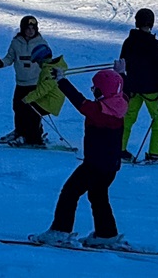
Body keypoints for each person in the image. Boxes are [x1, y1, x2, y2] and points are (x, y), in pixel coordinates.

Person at [30, 67, 128, 248]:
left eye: (95, 88)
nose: (93, 91)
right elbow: (123, 89)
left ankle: (60, 231)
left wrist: (61, 80)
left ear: (101, 91)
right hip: (110, 167)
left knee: (69, 193)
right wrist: (120, 73)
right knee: (98, 197)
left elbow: (79, 101)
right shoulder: (122, 103)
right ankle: (106, 234)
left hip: (94, 166)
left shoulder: (98, 111)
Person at [0, 15, 50, 145]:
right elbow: (9, 58)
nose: (30, 31)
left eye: (33, 28)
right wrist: (1, 63)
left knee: (32, 111)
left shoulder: (41, 43)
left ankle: (34, 135)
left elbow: (47, 61)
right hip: (21, 83)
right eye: (27, 28)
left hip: (35, 83)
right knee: (18, 108)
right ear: (22, 29)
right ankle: (20, 131)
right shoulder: (16, 42)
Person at [119, 8, 158, 162]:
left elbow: (122, 65)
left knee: (127, 118)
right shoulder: (154, 44)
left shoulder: (129, 42)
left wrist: (125, 85)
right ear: (151, 23)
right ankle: (155, 152)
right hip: (152, 90)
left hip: (133, 88)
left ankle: (119, 149)